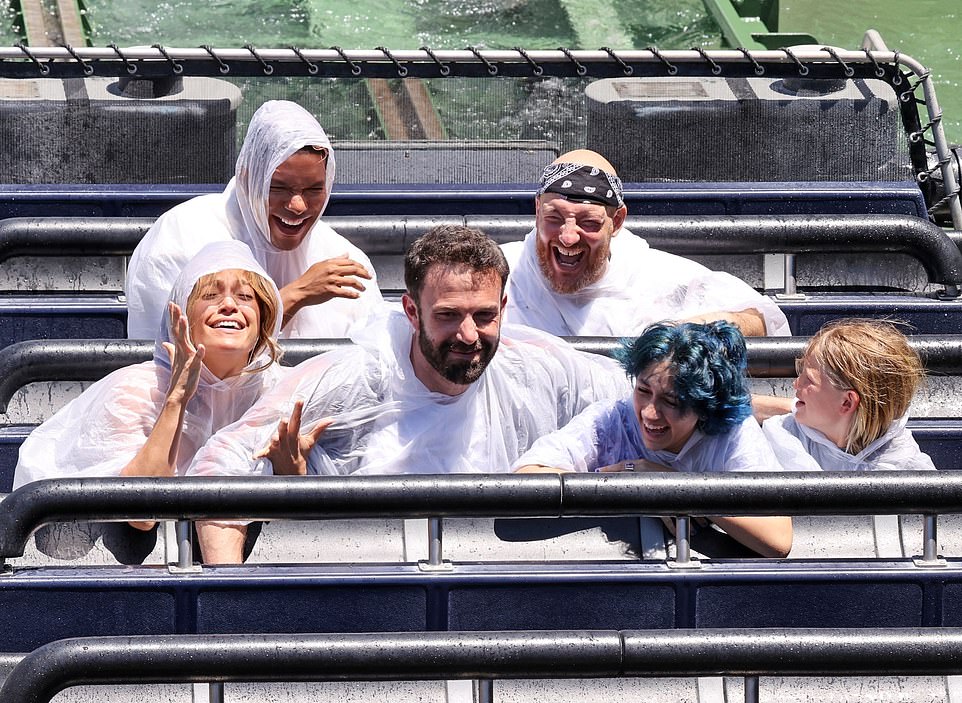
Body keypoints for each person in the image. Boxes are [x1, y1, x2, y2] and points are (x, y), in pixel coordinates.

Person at [188, 225, 628, 563]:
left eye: (484, 315)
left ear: (504, 309)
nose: (468, 334)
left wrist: (648, 469)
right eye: (449, 315)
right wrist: (230, 587)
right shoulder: (355, 378)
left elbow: (639, 398)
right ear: (412, 311)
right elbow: (219, 463)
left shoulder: (534, 366)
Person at [14, 239, 285, 533]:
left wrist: (291, 469)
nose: (230, 305)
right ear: (183, 315)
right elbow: (141, 515)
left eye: (245, 296)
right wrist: (177, 399)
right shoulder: (134, 391)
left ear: (264, 319)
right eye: (210, 295)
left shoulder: (282, 392)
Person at [514, 321, 793, 558]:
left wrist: (676, 488)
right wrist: (632, 478)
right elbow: (528, 478)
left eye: (672, 401)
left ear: (703, 404)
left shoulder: (733, 433)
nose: (649, 413)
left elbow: (778, 540)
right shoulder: (611, 419)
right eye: (643, 390)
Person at [126, 100, 382, 340]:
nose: (298, 206)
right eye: (278, 188)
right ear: (248, 179)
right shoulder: (182, 238)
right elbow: (175, 357)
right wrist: (295, 295)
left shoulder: (345, 261)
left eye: (313, 190)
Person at [501, 149, 790, 338]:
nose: (568, 236)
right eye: (555, 217)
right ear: (537, 210)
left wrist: (693, 330)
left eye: (588, 222)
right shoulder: (499, 273)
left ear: (616, 222)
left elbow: (764, 323)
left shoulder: (654, 276)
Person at [762, 319, 935, 471]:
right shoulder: (786, 432)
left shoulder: (908, 473)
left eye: (809, 379)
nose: (796, 384)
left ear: (847, 402)